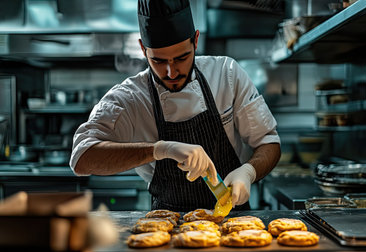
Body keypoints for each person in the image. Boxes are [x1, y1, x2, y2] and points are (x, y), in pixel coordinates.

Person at [70, 0, 281, 212]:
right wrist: (160, 149)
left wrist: (248, 171)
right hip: (166, 226)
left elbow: (269, 142)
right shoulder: (130, 98)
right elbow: (82, 158)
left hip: (235, 222)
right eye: (159, 61)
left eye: (182, 58)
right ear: (143, 50)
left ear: (195, 41)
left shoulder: (226, 74)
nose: (172, 73)